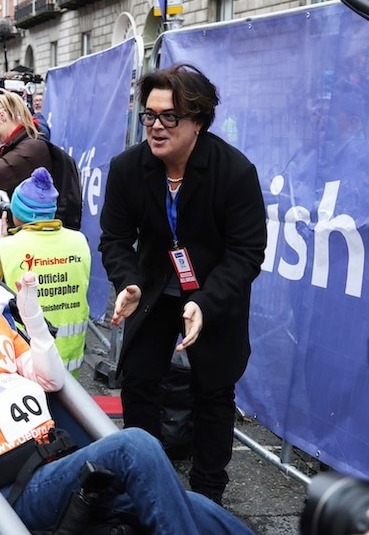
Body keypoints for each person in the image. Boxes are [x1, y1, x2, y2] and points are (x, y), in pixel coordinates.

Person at [0, 226, 254, 535]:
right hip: (11, 490)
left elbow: (50, 378)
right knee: (135, 446)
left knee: (195, 506)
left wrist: (31, 317)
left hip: (59, 462)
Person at [98, 63, 266, 505]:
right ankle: (143, 483)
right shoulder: (128, 167)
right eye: (149, 115)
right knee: (138, 381)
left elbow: (247, 253)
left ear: (198, 121)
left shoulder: (234, 172)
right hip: (151, 292)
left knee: (213, 389)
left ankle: (209, 496)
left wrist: (206, 303)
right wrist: (128, 282)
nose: (155, 126)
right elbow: (115, 238)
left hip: (214, 295)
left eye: (169, 117)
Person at [0, 167, 90, 375]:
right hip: (70, 362)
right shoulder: (80, 241)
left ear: (17, 213)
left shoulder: (5, 248)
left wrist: (5, 242)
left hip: (27, 360)